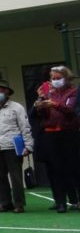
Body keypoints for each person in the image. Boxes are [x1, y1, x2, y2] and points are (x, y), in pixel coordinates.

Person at [0, 79, 34, 213]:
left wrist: (28, 146)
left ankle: (19, 204)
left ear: (7, 92)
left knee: (16, 177)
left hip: (12, 147)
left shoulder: (17, 107)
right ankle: (5, 203)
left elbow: (25, 127)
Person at [32, 66, 80, 213]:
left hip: (69, 133)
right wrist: (39, 101)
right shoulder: (47, 93)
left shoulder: (74, 92)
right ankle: (60, 202)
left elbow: (71, 110)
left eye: (58, 77)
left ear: (66, 78)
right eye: (53, 78)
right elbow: (38, 114)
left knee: (75, 167)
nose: (55, 80)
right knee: (55, 169)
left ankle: (76, 200)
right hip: (50, 135)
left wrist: (54, 104)